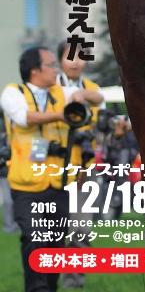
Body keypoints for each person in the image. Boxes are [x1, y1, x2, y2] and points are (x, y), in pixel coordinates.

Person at [0, 47, 98, 292]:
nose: (57, 70)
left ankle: (49, 288)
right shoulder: (13, 92)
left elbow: (98, 99)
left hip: (58, 185)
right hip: (26, 186)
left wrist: (80, 95)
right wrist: (61, 115)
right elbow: (23, 117)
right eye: (51, 65)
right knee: (34, 238)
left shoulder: (62, 92)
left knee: (55, 245)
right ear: (35, 71)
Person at [56, 43, 105, 290]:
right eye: (69, 57)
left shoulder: (91, 88)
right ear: (59, 60)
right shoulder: (50, 87)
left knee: (81, 228)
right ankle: (46, 279)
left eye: (80, 57)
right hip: (54, 167)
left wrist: (81, 95)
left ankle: (74, 282)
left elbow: (100, 100)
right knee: (50, 229)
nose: (75, 62)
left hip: (84, 169)